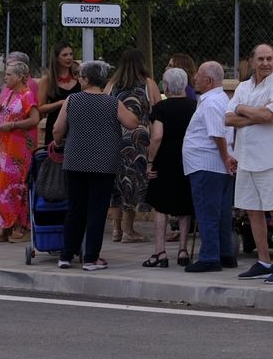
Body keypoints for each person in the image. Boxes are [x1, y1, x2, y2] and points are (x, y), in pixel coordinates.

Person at [53, 60, 140, 270]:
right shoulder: (112, 103)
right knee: (96, 210)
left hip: (74, 161)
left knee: (75, 209)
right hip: (103, 163)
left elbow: (57, 129)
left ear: (86, 79)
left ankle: (66, 254)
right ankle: (91, 258)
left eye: (81, 77)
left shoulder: (71, 100)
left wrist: (58, 143)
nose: (79, 79)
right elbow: (132, 123)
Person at [226, 43, 273, 284]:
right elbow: (228, 118)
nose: (266, 63)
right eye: (261, 59)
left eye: (270, 59)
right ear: (252, 61)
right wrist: (253, 112)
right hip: (246, 158)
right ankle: (264, 261)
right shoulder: (244, 87)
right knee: (253, 212)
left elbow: (270, 116)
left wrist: (242, 110)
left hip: (271, 159)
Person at [183, 61, 239, 273]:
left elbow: (217, 133)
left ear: (208, 81)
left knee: (207, 212)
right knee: (222, 213)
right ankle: (225, 254)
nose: (194, 78)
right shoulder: (221, 99)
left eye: (198, 74)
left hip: (207, 165)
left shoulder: (210, 102)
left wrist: (225, 157)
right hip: (217, 167)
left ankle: (209, 257)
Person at [145, 66, 198, 267]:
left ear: (166, 86)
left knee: (160, 205)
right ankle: (183, 250)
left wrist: (150, 161)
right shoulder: (194, 106)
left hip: (164, 161)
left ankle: (160, 252)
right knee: (185, 205)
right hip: (188, 160)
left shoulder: (161, 108)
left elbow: (157, 136)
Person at [108, 48, 156, 244]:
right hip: (138, 140)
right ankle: (129, 230)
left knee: (116, 183)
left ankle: (116, 229)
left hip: (115, 137)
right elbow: (157, 109)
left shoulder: (112, 85)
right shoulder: (148, 84)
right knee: (132, 183)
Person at [0, 61, 40, 243]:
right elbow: (9, 111)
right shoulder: (9, 94)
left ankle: (21, 224)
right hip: (5, 148)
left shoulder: (27, 95)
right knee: (3, 185)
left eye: (9, 75)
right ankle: (5, 222)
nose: (6, 78)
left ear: (19, 77)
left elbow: (34, 118)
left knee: (18, 185)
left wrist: (12, 125)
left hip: (19, 148)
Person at [37, 42, 82, 153]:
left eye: (71, 54)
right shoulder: (47, 80)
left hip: (76, 125)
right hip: (55, 124)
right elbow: (40, 107)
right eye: (65, 55)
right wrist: (60, 103)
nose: (69, 58)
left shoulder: (79, 79)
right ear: (56, 58)